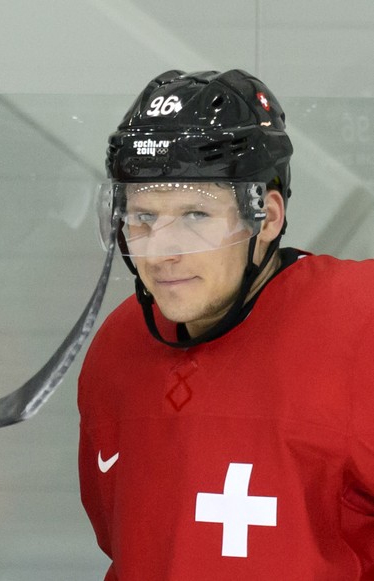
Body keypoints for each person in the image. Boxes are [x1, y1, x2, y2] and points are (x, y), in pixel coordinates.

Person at [77, 69, 374, 579]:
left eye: (196, 215)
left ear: (269, 217)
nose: (163, 249)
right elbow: (125, 543)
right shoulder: (118, 347)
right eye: (143, 217)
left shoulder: (359, 321)